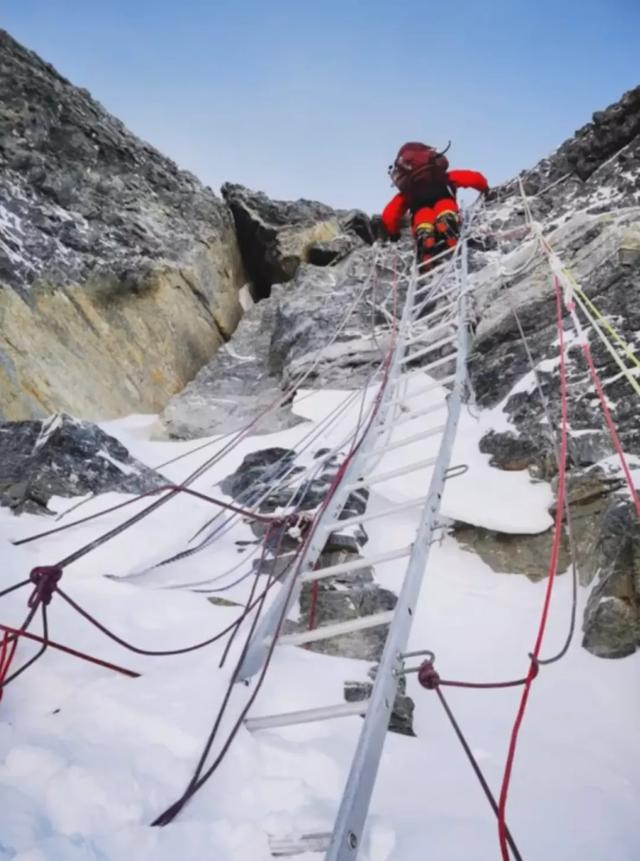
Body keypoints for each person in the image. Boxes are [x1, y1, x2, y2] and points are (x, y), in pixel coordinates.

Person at [381, 142, 489, 266]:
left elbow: (389, 214)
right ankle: (447, 224)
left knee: (423, 218)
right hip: (444, 199)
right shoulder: (444, 177)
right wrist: (485, 188)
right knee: (445, 207)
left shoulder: (407, 191)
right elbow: (473, 178)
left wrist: (393, 233)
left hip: (419, 210)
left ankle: (425, 237)